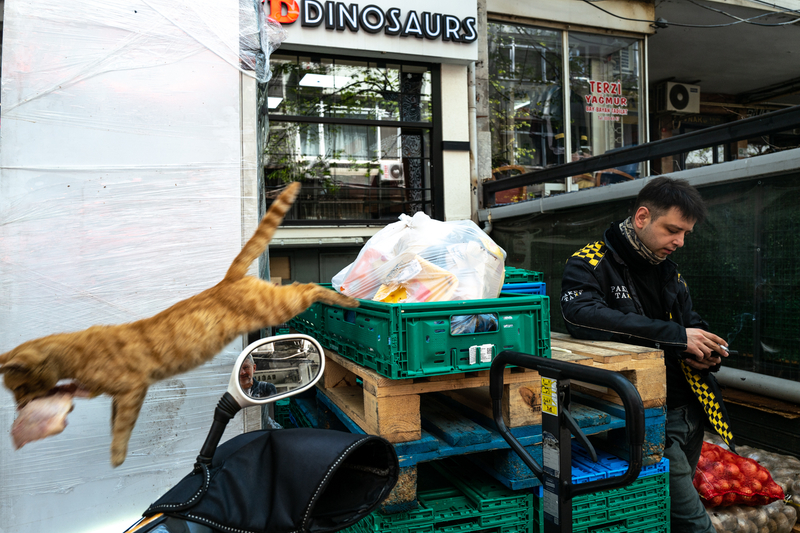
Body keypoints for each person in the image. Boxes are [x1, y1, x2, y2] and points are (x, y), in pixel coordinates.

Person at [560, 176, 734, 533]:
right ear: (642, 217)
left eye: (686, 233)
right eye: (673, 229)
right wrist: (676, 337)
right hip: (647, 413)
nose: (680, 242)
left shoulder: (670, 272)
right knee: (694, 523)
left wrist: (708, 353)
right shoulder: (590, 262)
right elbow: (582, 317)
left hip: (692, 411)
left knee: (667, 513)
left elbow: (691, 324)